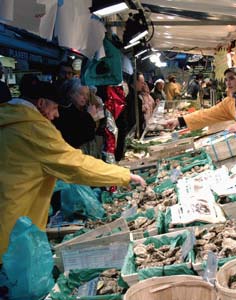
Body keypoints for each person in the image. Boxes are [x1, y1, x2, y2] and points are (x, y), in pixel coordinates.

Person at [0, 77, 145, 262]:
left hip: (8, 216)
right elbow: (75, 165)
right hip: (14, 228)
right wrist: (123, 175)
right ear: (41, 103)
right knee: (15, 281)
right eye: (55, 108)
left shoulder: (7, 119)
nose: (57, 115)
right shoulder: (32, 128)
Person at [53, 78, 99, 157]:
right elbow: (82, 136)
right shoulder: (65, 111)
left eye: (87, 94)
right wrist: (89, 117)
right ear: (71, 93)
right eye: (81, 94)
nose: (85, 97)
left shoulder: (83, 109)